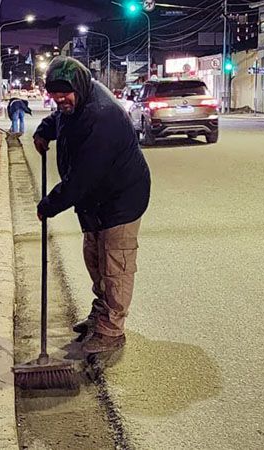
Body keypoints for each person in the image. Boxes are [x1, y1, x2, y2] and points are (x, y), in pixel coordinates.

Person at [33, 56, 151, 354]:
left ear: (80, 87)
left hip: (119, 199)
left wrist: (49, 205)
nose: (60, 99)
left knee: (115, 264)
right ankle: (101, 312)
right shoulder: (77, 101)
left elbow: (83, 178)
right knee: (94, 257)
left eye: (64, 93)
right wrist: (44, 131)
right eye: (54, 94)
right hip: (93, 201)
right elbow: (61, 118)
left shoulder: (103, 116)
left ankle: (112, 330)